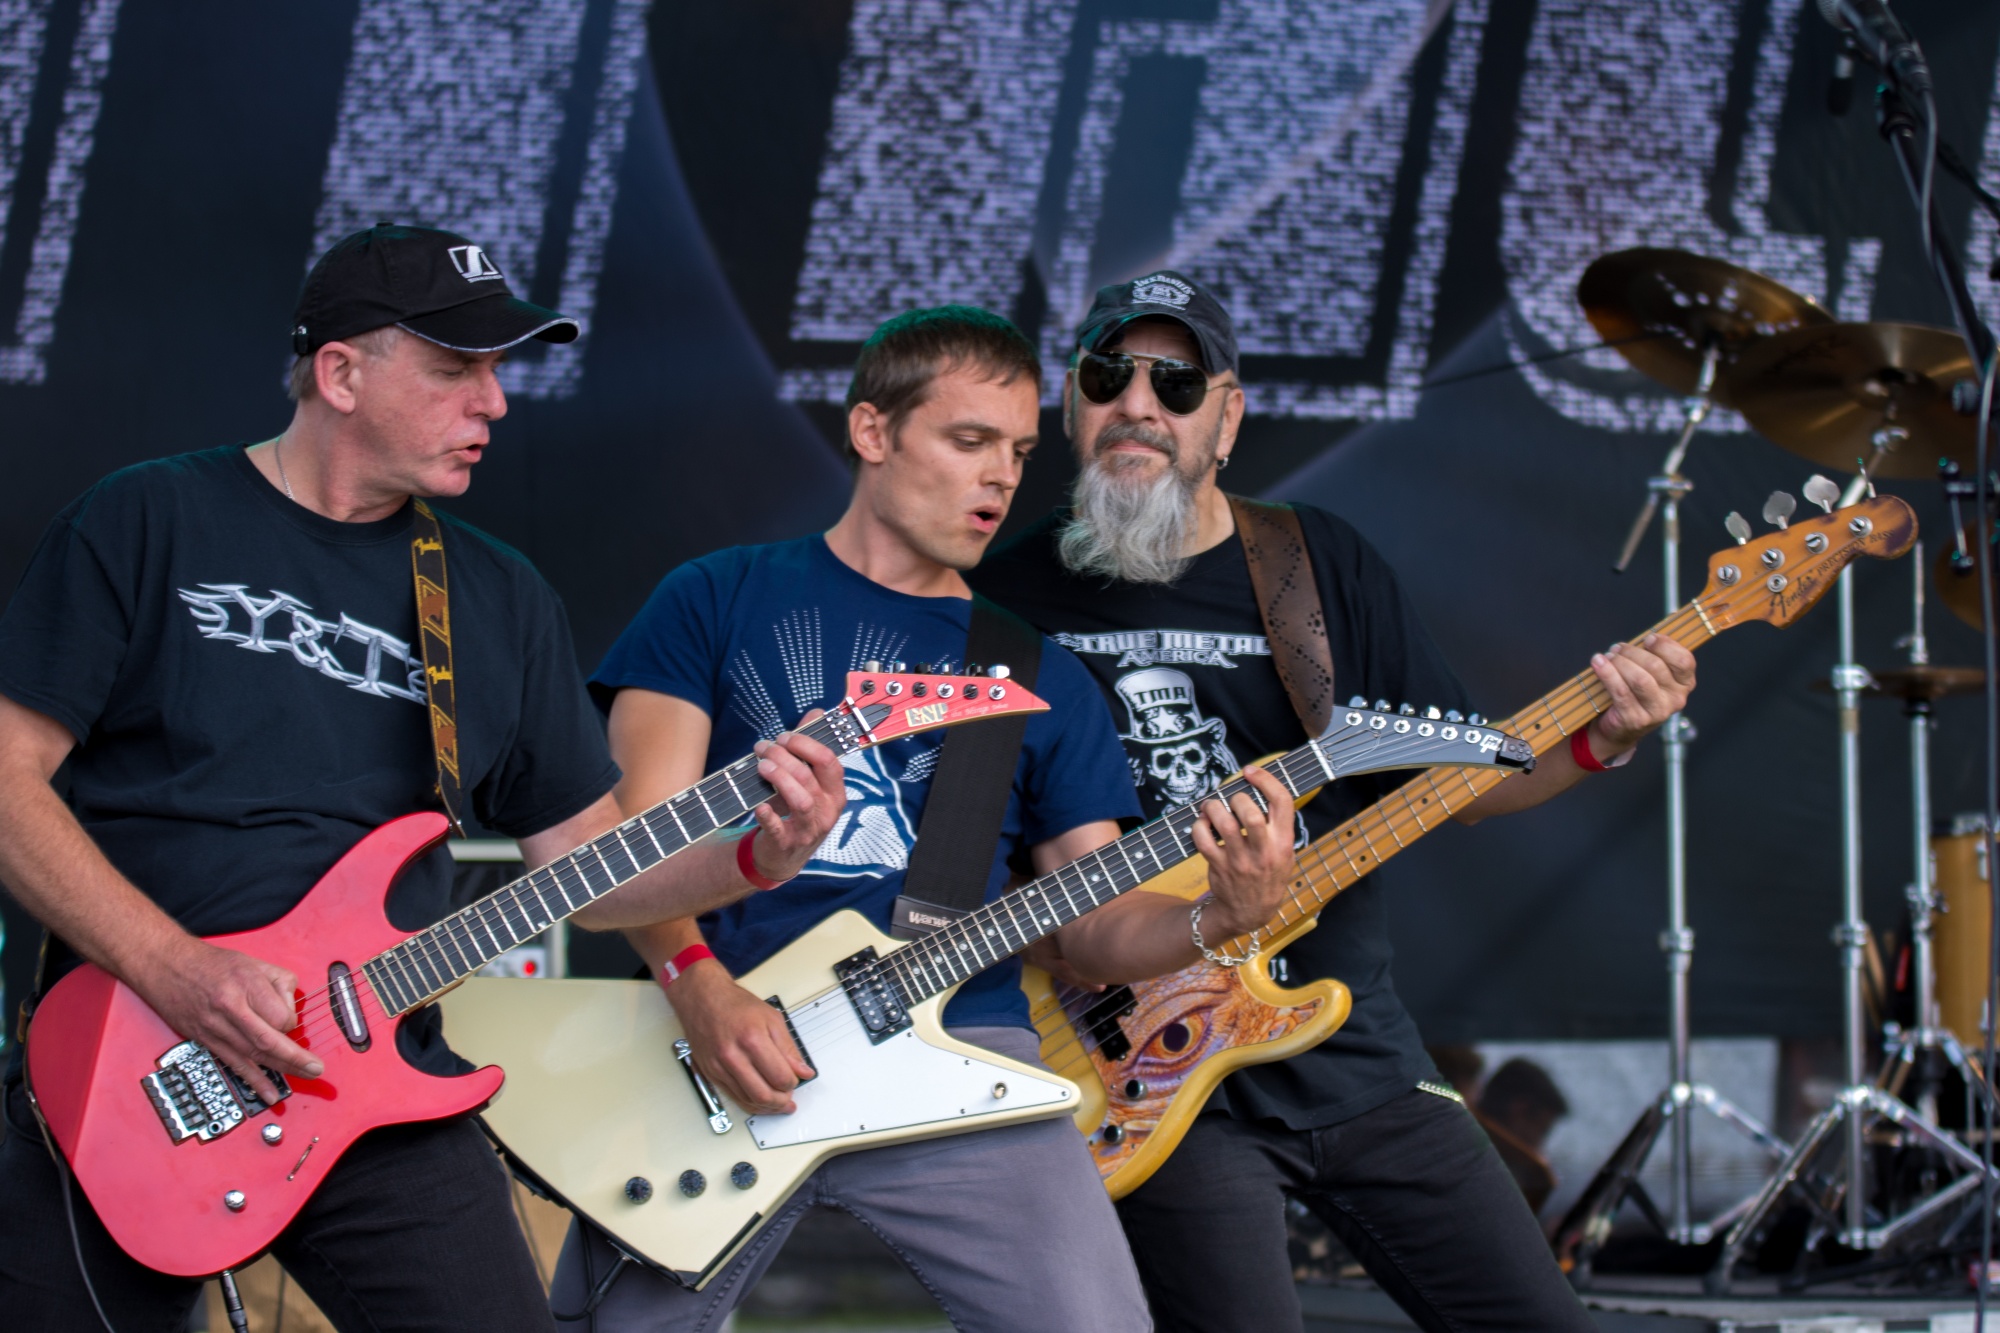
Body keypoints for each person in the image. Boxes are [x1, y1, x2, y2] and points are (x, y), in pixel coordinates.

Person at [0, 224, 847, 1332]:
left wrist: (760, 854)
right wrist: (174, 967)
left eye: (498, 371)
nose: (493, 402)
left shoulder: (496, 597)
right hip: (132, 1060)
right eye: (456, 369)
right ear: (340, 372)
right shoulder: (145, 519)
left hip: (372, 1085)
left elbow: (594, 874)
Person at [972, 270, 1697, 1333]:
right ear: (1072, 405)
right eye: (1105, 376)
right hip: (1142, 1062)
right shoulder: (1001, 594)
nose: (1136, 404)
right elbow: (968, 860)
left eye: (1176, 383)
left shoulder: (1312, 566)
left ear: (1227, 418)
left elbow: (1456, 784)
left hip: (1349, 1044)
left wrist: (1605, 737)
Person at [550, 305, 1299, 1332]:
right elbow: (627, 851)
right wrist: (697, 984)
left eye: (1019, 452)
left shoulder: (1040, 674)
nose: (1000, 478)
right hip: (713, 1040)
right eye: (968, 440)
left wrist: (1220, 915)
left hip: (962, 1045)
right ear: (873, 430)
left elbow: (1092, 932)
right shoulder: (714, 597)